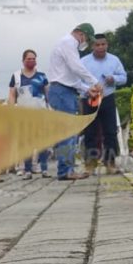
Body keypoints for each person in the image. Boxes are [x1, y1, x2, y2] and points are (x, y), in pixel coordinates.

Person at [47, 23, 102, 180]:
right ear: (81, 34)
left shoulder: (66, 44)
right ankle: (66, 170)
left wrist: (86, 89)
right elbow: (76, 67)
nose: (85, 43)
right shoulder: (69, 42)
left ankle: (67, 168)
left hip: (64, 91)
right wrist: (94, 82)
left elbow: (70, 76)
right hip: (62, 92)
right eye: (86, 39)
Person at [81, 34, 127, 174]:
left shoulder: (114, 60)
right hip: (89, 99)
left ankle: (110, 162)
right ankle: (90, 163)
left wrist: (114, 79)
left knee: (110, 131)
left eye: (103, 44)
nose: (100, 47)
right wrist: (88, 89)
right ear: (92, 46)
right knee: (90, 132)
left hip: (107, 97)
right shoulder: (83, 61)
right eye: (97, 45)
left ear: (107, 45)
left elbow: (124, 77)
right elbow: (77, 80)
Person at [8, 49, 51, 179]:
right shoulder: (16, 76)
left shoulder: (42, 76)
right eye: (29, 59)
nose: (31, 61)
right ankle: (26, 169)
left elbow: (48, 95)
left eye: (34, 59)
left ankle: (44, 169)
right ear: (23, 60)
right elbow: (12, 95)